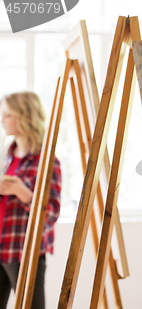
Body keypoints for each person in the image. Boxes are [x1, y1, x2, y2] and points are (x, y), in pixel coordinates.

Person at [0, 92, 61, 309]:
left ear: (26, 117)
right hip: (2, 245)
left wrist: (22, 192)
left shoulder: (47, 160)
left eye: (7, 115)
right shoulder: (9, 154)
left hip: (24, 249)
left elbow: (51, 213)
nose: (2, 120)